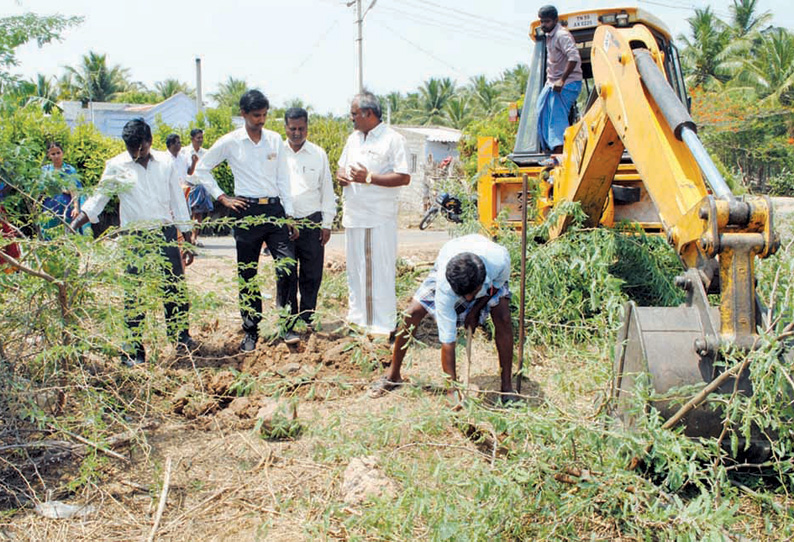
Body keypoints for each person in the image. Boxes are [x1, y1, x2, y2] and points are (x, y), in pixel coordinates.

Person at [70, 119, 197, 366]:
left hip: (165, 233)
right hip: (134, 237)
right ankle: (133, 350)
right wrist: (77, 223)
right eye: (130, 148)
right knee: (134, 293)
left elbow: (177, 201)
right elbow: (99, 198)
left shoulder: (166, 163)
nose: (134, 153)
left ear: (148, 142)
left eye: (138, 148)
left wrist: (187, 235)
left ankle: (181, 338)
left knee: (174, 288)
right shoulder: (116, 166)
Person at [192, 89, 300, 351]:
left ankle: (286, 325)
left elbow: (284, 179)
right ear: (243, 114)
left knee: (287, 265)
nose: (261, 120)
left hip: (274, 210)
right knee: (247, 273)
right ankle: (251, 331)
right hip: (246, 211)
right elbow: (201, 169)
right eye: (256, 115)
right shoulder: (231, 141)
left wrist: (290, 215)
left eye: (264, 115)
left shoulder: (275, 140)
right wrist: (222, 198)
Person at [369, 234, 516, 403]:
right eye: (463, 295)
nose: (467, 299)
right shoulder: (445, 284)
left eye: (472, 294)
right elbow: (448, 340)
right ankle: (393, 375)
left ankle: (507, 387)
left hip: (489, 274)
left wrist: (475, 310)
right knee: (411, 314)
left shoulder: (499, 261)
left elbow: (496, 286)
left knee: (504, 318)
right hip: (452, 266)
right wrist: (451, 390)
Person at [336, 91, 410, 336]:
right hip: (354, 216)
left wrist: (368, 178)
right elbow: (341, 168)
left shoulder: (392, 139)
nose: (351, 118)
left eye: (354, 114)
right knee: (356, 271)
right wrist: (343, 177)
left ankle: (381, 325)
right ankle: (357, 319)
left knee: (378, 271)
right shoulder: (353, 139)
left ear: (368, 114)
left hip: (377, 218)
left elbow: (404, 176)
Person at [283, 107, 336, 327]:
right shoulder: (276, 153)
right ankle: (288, 319)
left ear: (307, 127)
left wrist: (327, 223)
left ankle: (307, 318)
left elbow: (327, 190)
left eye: (301, 128)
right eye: (292, 128)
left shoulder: (318, 154)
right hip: (285, 223)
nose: (297, 133)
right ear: (285, 127)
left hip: (312, 221)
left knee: (311, 274)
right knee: (286, 273)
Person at [536, 5, 583, 154]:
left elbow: (574, 57)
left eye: (547, 22)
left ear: (556, 20)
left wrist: (562, 80)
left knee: (556, 116)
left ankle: (560, 151)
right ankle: (548, 148)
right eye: (542, 22)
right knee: (541, 109)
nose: (543, 25)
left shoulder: (561, 35)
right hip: (552, 83)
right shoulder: (549, 37)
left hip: (568, 84)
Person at [40, 141, 83, 238]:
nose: (56, 156)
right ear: (49, 155)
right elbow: (41, 189)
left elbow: (75, 190)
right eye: (53, 154)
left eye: (58, 153)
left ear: (62, 153)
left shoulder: (69, 170)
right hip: (50, 207)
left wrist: (76, 207)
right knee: (49, 234)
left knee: (68, 233)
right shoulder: (45, 170)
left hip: (67, 207)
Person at [182, 128, 214, 246]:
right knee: (186, 213)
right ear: (192, 139)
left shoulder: (205, 153)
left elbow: (212, 165)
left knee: (198, 213)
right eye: (198, 138)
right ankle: (187, 238)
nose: (200, 140)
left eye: (202, 138)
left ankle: (195, 237)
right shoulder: (184, 152)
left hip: (200, 185)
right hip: (187, 185)